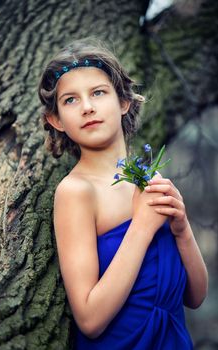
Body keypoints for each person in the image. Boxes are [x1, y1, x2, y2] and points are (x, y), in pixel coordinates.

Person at [38, 37, 208, 349]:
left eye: (98, 93)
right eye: (70, 100)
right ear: (56, 120)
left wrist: (182, 229)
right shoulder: (76, 192)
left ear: (123, 101)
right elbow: (89, 320)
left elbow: (196, 297)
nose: (87, 107)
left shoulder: (148, 178)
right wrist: (142, 226)